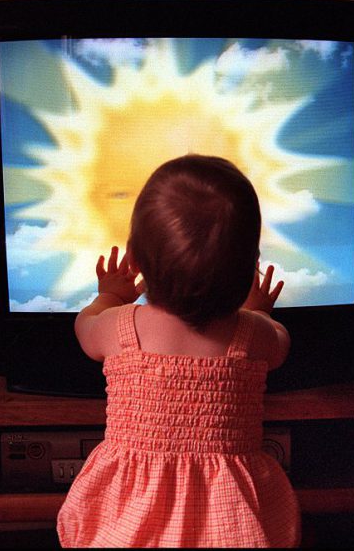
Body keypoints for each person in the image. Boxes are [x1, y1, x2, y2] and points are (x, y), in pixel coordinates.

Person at [56, 154, 300, 547]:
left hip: (131, 522)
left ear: (134, 258)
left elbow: (83, 330)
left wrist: (108, 296)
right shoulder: (251, 335)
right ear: (250, 268)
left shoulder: (118, 327)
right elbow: (281, 344)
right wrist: (257, 312)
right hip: (228, 528)